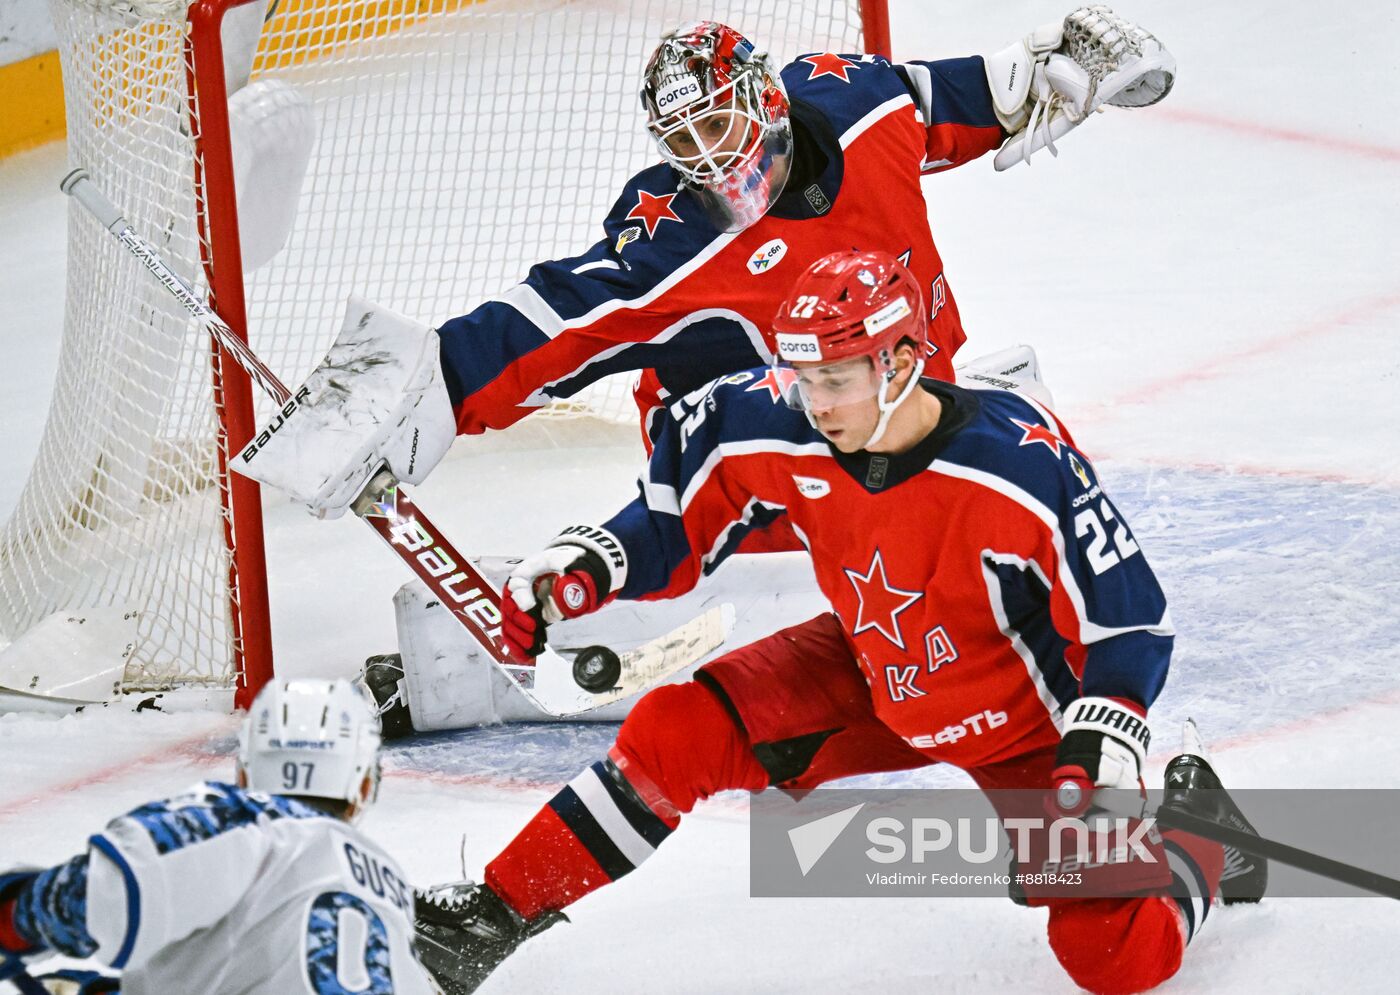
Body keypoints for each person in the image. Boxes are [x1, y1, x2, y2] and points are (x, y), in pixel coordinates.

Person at [231, 7, 1177, 735]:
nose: (708, 161)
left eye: (718, 129)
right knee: (835, 622)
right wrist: (423, 388)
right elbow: (556, 317)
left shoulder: (859, 102)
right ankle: (511, 645)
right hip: (748, 471)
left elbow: (959, 99)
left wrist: (1062, 72)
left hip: (895, 417)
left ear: (767, 95)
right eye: (682, 146)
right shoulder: (677, 235)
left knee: (1018, 418)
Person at [409, 250, 1266, 995]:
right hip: (874, 666)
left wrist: (1105, 731)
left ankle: (1203, 835)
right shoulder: (779, 417)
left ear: (899, 364)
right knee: (679, 730)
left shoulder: (1018, 461)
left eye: (835, 378)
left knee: (1108, 953)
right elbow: (676, 519)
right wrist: (585, 567)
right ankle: (491, 914)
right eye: (801, 374)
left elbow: (1129, 620)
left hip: (1025, 724)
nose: (812, 401)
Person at [0, 680, 436, 995]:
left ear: (244, 771)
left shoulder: (243, 823)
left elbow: (109, 893)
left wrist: (16, 916)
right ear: (362, 789)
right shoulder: (387, 883)